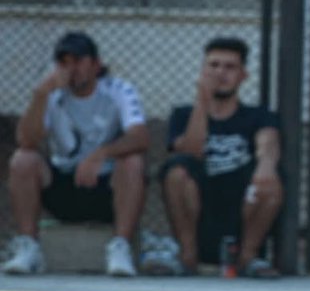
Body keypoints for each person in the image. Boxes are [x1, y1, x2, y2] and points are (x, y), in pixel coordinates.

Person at [2, 31, 149, 276]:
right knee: (23, 160)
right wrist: (39, 96)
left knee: (133, 161)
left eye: (78, 61)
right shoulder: (51, 94)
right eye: (64, 63)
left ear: (96, 64)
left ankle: (120, 247)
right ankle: (28, 247)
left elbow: (141, 137)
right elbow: (26, 140)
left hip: (106, 189)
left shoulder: (119, 90)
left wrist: (100, 154)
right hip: (64, 186)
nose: (72, 69)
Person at [145, 36, 283, 277]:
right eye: (214, 65)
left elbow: (268, 142)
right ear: (202, 70)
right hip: (197, 209)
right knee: (177, 170)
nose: (221, 73)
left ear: (243, 76)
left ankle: (249, 258)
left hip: (241, 207)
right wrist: (202, 101)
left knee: (272, 179)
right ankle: (187, 256)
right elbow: (190, 151)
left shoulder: (258, 115)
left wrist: (267, 165)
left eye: (230, 67)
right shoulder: (183, 114)